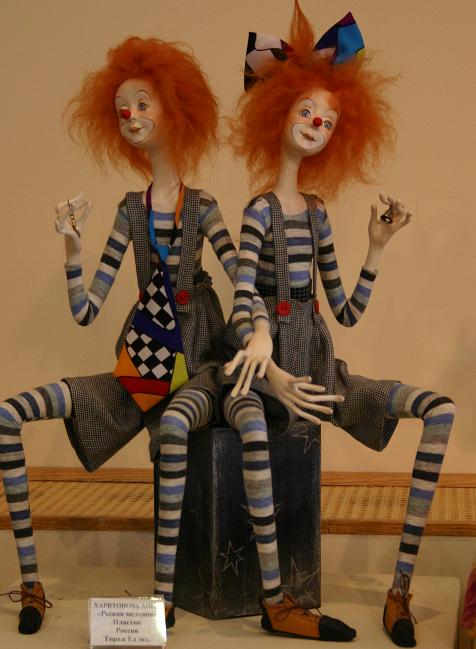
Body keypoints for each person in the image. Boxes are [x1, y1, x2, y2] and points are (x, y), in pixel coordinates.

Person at [0, 35, 268, 635]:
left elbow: (240, 276)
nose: (132, 115)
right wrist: (72, 249)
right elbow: (86, 310)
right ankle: (32, 583)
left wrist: (259, 334)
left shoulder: (202, 207)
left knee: (174, 433)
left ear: (176, 108)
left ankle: (161, 604)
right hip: (142, 365)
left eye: (144, 103)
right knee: (8, 414)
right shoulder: (128, 209)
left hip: (197, 367)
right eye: (123, 108)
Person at [223, 3, 455, 646]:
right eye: (306, 112)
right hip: (268, 376)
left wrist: (377, 247)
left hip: (322, 373)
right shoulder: (259, 211)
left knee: (439, 411)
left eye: (327, 121)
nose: (316, 126)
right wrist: (268, 363)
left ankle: (400, 589)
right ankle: (276, 602)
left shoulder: (320, 213)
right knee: (252, 434)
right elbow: (242, 296)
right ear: (277, 113)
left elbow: (346, 311)